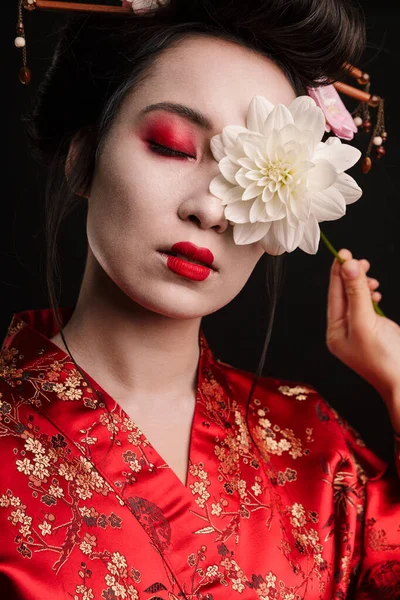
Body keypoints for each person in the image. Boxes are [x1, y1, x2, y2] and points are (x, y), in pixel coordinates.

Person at [1, 0, 399, 598]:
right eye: (172, 146)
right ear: (83, 158)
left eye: (247, 179)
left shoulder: (318, 446)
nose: (210, 208)